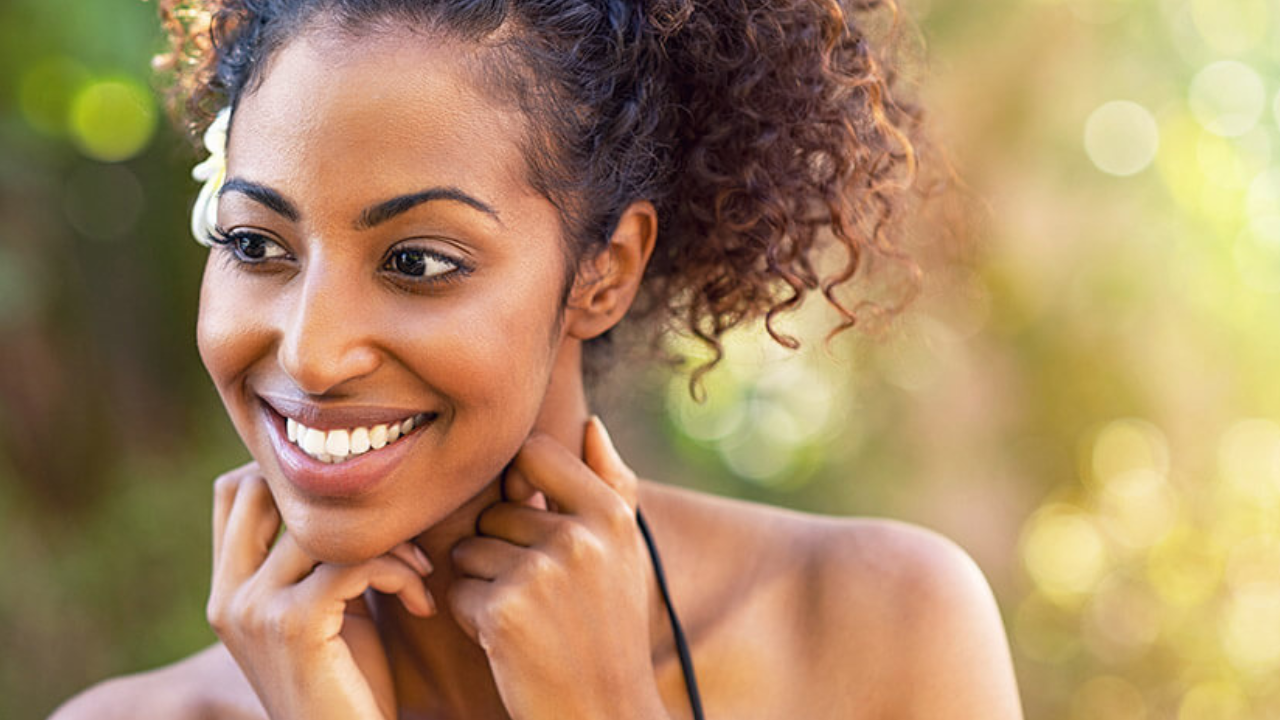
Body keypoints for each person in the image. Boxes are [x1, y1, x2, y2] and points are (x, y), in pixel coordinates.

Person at [52, 0, 1023, 718]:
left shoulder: (874, 630)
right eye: (256, 245)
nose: (310, 351)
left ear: (603, 271)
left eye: (417, 262)